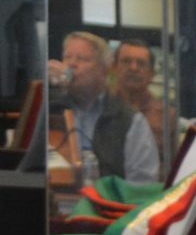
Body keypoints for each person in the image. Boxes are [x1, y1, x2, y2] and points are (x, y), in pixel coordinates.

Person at [50, 31, 158, 183]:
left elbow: (142, 184)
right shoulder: (51, 109)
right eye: (67, 57)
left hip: (106, 197)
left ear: (104, 70)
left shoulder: (130, 121)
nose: (71, 64)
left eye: (81, 59)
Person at [111, 39, 169, 157]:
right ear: (114, 68)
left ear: (152, 74)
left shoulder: (167, 117)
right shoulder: (99, 108)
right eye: (126, 61)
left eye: (141, 63)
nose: (133, 68)